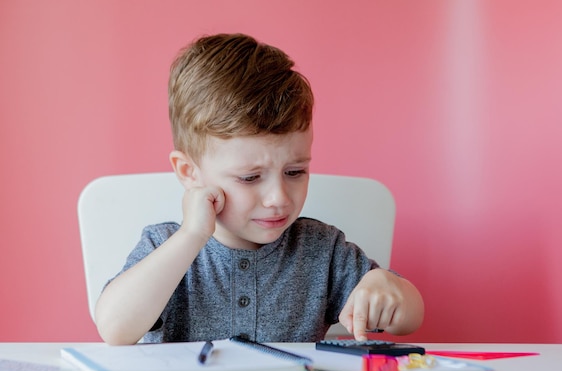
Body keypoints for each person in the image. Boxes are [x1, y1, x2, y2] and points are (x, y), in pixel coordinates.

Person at [95, 33, 424, 345]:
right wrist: (190, 236)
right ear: (189, 172)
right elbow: (114, 328)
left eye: (295, 171)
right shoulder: (164, 246)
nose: (279, 198)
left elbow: (411, 316)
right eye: (250, 178)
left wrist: (386, 286)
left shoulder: (322, 250)